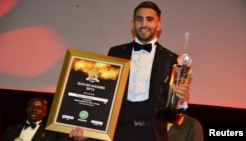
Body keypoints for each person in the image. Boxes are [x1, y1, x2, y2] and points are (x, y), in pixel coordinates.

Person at [70, 1, 203, 141]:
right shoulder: (116, 53)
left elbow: (173, 110)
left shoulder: (171, 60)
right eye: (139, 19)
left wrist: (180, 101)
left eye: (150, 19)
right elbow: (104, 93)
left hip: (151, 134)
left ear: (159, 24)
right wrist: (86, 122)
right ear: (132, 24)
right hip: (117, 131)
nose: (144, 24)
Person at [2, 97, 85, 141]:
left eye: (39, 108)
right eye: (32, 106)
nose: (34, 109)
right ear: (26, 109)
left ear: (45, 113)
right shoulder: (11, 129)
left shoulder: (52, 134)